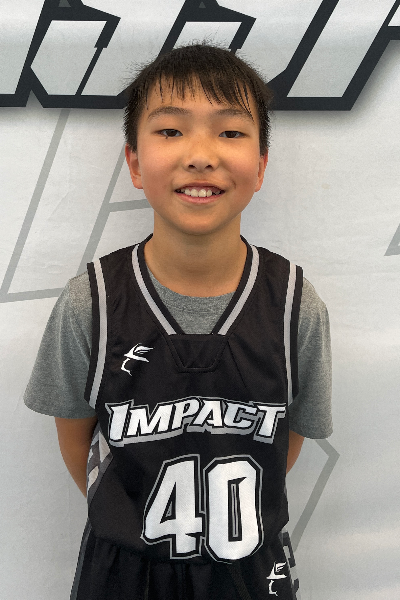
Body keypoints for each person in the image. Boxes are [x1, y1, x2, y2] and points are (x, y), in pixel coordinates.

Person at [24, 43, 332, 600]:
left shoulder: (294, 303)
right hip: (122, 571)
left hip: (250, 571)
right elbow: (76, 438)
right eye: (171, 131)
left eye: (230, 132)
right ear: (135, 163)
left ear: (261, 165)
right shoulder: (91, 302)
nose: (200, 155)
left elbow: (290, 438)